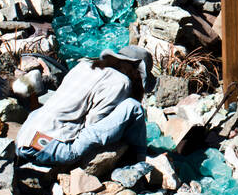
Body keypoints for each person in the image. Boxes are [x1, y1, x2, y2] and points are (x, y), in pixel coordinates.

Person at [16, 44, 154, 169]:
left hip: (23, 140)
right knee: (133, 107)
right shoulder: (121, 82)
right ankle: (140, 159)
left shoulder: (83, 66)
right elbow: (93, 123)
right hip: (55, 149)